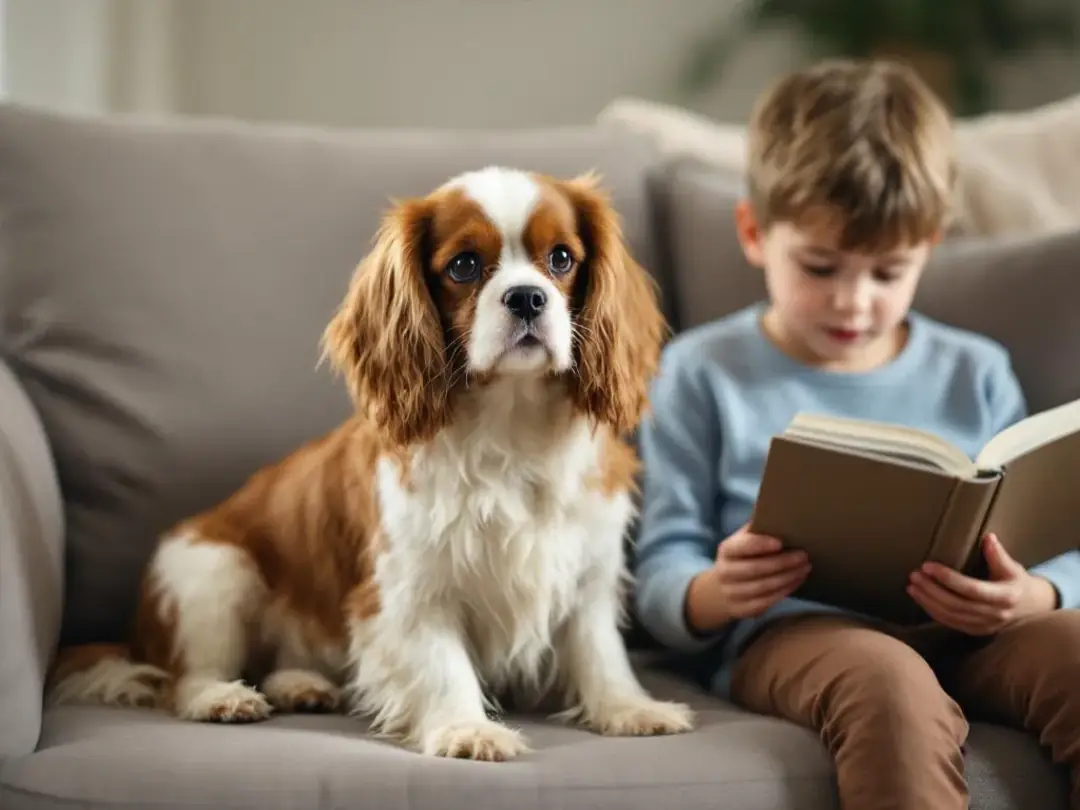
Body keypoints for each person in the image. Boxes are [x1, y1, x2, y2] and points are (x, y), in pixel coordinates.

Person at [633, 58, 1080, 810]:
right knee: (888, 686)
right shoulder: (700, 372)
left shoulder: (975, 371)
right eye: (819, 265)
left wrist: (1034, 594)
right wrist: (717, 590)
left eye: (887, 273)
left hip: (971, 631)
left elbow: (1052, 540)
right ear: (753, 231)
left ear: (930, 247)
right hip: (795, 636)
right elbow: (656, 573)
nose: (852, 301)